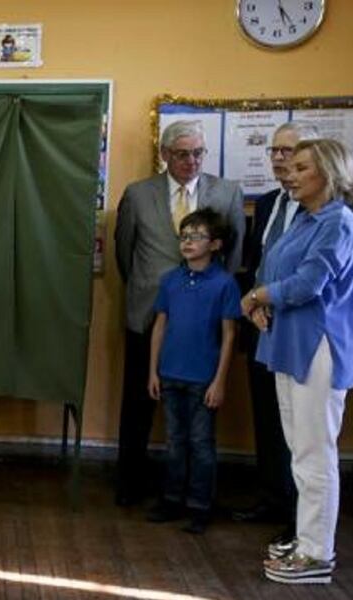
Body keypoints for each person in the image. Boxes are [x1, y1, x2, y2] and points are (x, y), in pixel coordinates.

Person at [113, 119, 245, 506]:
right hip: (149, 313)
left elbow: (234, 257)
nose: (191, 161)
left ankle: (193, 494)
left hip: (204, 320)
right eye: (183, 154)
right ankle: (130, 484)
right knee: (138, 403)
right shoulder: (138, 194)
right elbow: (125, 254)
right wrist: (146, 289)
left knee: (200, 415)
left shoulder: (227, 192)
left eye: (198, 153)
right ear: (165, 155)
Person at [243, 138, 353, 584]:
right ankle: (308, 537)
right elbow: (274, 270)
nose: (289, 172)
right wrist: (262, 296)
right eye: (290, 165)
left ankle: (316, 553)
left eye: (302, 167)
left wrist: (256, 296)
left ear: (329, 174)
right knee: (298, 449)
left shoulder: (340, 222)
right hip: (288, 342)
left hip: (318, 346)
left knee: (315, 452)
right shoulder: (305, 219)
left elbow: (308, 283)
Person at [232, 122, 319, 534]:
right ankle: (274, 497)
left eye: (291, 152)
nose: (281, 159)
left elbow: (310, 279)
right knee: (268, 418)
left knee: (301, 429)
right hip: (261, 325)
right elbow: (255, 263)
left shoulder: (326, 211)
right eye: (275, 151)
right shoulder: (267, 204)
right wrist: (252, 306)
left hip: (302, 331)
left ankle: (303, 516)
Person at [145, 209, 242, 534]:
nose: (187, 242)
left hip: (203, 379)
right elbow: (160, 325)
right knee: (175, 442)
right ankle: (172, 499)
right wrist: (153, 372)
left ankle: (200, 505)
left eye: (196, 236)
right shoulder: (170, 280)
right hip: (170, 373)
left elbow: (229, 335)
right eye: (184, 235)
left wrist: (219, 381)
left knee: (201, 443)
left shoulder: (225, 284)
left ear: (215, 244)